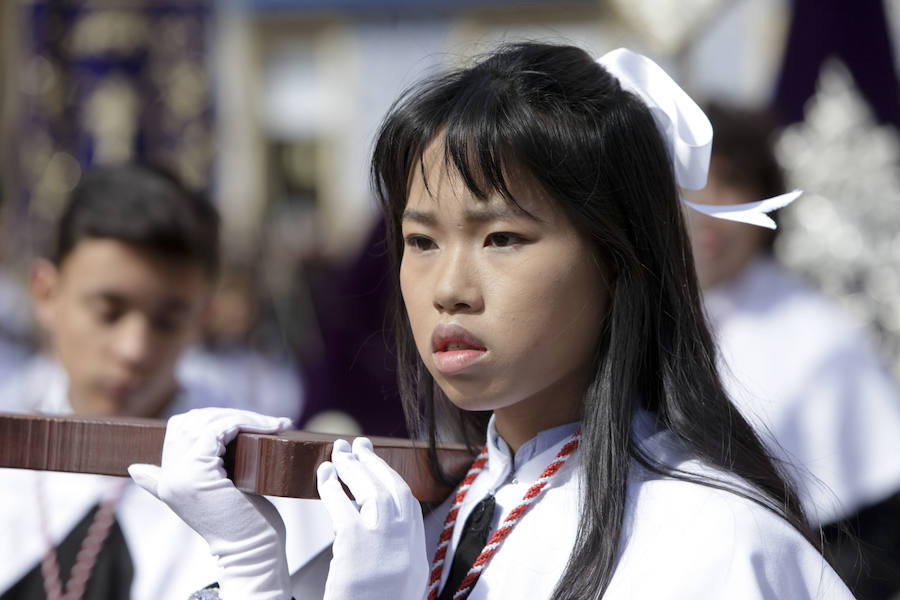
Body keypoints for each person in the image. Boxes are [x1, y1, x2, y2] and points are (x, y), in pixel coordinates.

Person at [129, 45, 854, 599]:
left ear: (617, 259)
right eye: (421, 241)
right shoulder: (433, 511)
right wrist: (251, 569)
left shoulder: (711, 546)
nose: (448, 288)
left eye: (502, 238)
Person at [0, 164, 329, 600]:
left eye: (168, 320)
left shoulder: (253, 471)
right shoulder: (12, 440)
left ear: (202, 317)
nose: (134, 349)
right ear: (46, 292)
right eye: (109, 312)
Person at [687, 103, 900, 599]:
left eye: (731, 185)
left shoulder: (820, 339)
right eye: (689, 184)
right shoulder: (626, 320)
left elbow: (872, 533)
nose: (708, 209)